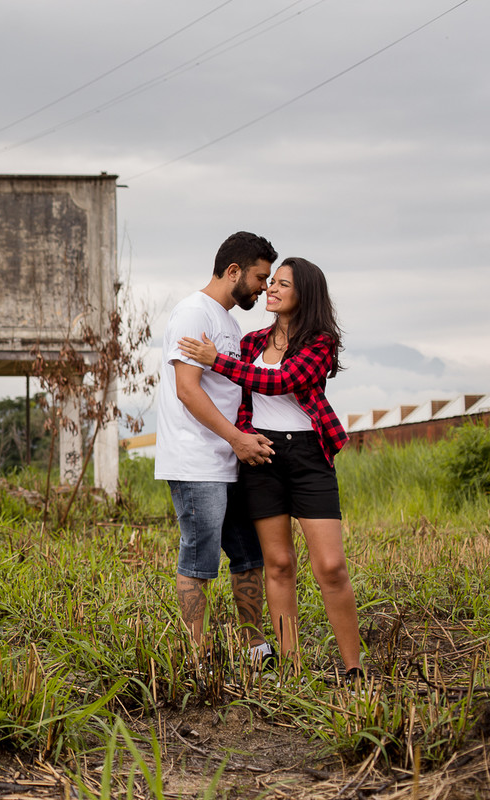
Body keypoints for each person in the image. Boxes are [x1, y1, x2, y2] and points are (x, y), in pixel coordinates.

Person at [178, 256, 361, 680]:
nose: (271, 290)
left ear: (305, 294)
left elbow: (280, 381)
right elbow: (240, 399)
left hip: (308, 457)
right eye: (271, 282)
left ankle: (354, 668)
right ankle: (292, 666)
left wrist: (215, 360)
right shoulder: (251, 342)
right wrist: (242, 435)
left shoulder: (320, 342)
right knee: (277, 564)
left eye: (282, 285)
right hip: (263, 456)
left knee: (330, 566)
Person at [154, 231, 278, 667]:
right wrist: (237, 439)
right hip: (196, 459)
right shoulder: (192, 313)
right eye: (261, 278)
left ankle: (255, 646)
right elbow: (187, 390)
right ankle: (195, 651)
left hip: (230, 458)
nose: (265, 288)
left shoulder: (228, 321)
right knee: (200, 553)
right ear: (233, 271)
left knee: (248, 554)